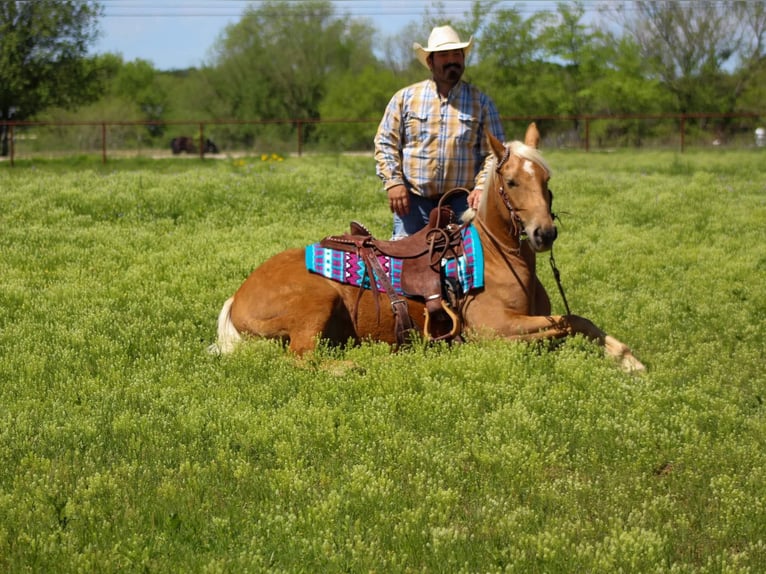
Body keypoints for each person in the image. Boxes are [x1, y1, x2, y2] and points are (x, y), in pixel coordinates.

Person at [374, 25, 505, 239]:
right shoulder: (405, 99)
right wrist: (394, 182)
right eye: (444, 55)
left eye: (457, 54)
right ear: (430, 61)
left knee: (468, 264)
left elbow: (494, 153)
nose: (451, 60)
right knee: (404, 264)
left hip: (463, 202)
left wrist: (481, 187)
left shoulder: (481, 103)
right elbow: (385, 143)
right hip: (414, 201)